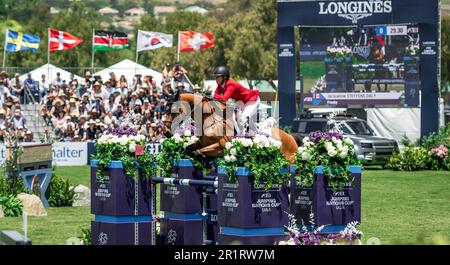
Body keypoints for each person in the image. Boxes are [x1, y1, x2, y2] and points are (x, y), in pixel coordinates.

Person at [212, 66, 260, 134]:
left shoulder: (231, 84)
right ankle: (257, 133)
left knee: (243, 119)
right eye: (215, 77)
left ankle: (244, 137)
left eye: (218, 77)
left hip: (252, 100)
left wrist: (211, 93)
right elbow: (215, 98)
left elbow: (224, 99)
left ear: (225, 77)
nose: (216, 79)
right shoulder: (220, 86)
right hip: (241, 103)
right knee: (243, 119)